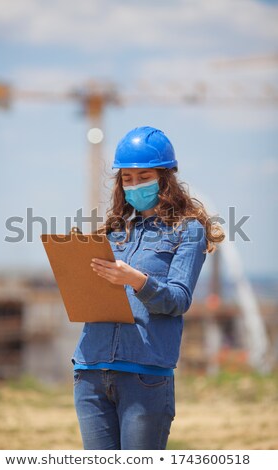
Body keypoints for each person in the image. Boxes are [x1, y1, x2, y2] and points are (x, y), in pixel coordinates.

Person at [72, 126, 225, 450]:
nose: (134, 185)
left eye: (143, 177)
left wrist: (137, 281)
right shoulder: (112, 233)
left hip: (144, 376)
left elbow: (178, 300)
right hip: (90, 372)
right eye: (127, 179)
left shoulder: (188, 231)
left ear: (165, 178)